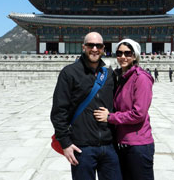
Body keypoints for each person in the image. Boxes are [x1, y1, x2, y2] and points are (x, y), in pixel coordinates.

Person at [50, 32, 122, 180]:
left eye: (98, 46)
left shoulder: (109, 75)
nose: (94, 49)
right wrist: (65, 143)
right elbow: (59, 111)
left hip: (109, 146)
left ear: (103, 48)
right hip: (82, 148)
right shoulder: (69, 73)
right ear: (83, 47)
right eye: (90, 45)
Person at [94, 39, 155, 180]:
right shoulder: (120, 77)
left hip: (138, 145)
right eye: (119, 53)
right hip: (122, 143)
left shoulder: (141, 79)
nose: (123, 57)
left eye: (127, 53)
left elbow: (138, 114)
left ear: (135, 56)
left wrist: (110, 117)